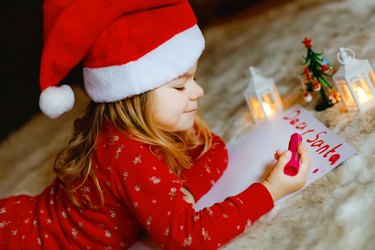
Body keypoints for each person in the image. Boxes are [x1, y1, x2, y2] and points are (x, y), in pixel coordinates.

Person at [0, 0, 311, 249]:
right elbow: (189, 238)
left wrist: (187, 188)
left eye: (193, 79)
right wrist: (270, 191)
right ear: (133, 98)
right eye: (179, 86)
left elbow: (213, 147)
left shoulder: (155, 125)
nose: (198, 92)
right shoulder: (124, 152)